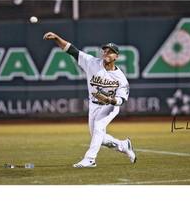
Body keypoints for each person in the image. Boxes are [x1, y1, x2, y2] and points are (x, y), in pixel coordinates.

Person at [43, 32, 136, 168]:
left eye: (111, 52)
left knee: (99, 127)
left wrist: (110, 100)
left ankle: (90, 159)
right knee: (99, 138)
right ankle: (123, 145)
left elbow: (122, 99)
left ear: (117, 56)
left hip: (109, 107)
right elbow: (71, 50)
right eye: (105, 51)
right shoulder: (92, 63)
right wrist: (56, 38)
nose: (106, 53)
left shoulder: (121, 78)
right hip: (93, 105)